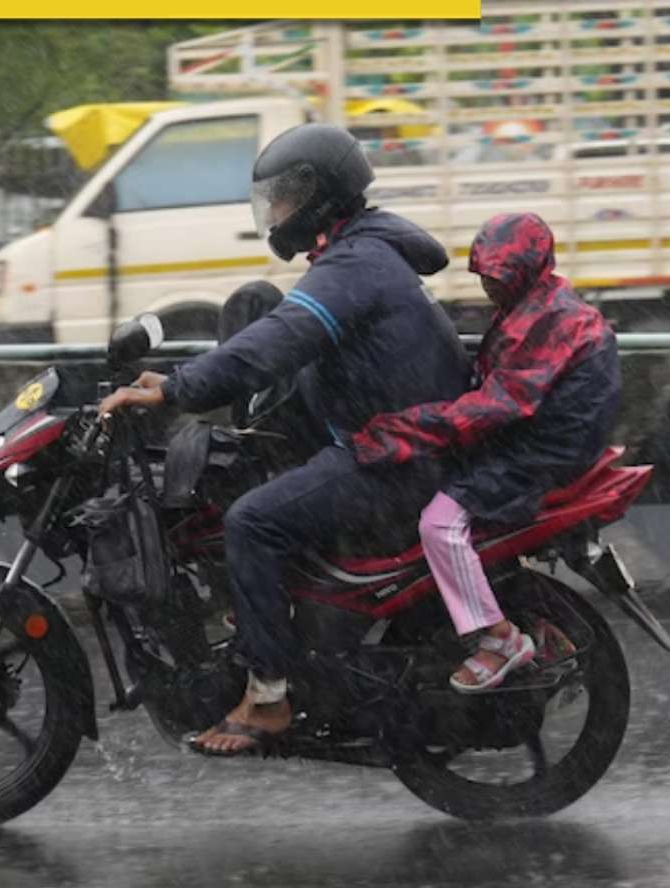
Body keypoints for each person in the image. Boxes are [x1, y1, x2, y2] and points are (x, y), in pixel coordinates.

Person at [98, 122, 468, 756]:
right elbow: (281, 334)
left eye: (284, 198)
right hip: (389, 438)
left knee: (252, 523)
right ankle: (274, 634)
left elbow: (281, 340)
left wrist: (175, 390)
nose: (275, 213)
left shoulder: (356, 264)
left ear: (320, 196)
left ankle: (268, 696)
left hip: (395, 459)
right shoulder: (360, 252)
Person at [351, 212, 622, 693]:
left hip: (539, 456)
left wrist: (401, 430)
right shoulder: (536, 304)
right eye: (485, 277)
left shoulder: (549, 320)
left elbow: (495, 407)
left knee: (439, 523)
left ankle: (498, 640)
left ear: (525, 270)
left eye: (499, 277)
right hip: (535, 440)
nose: (489, 288)